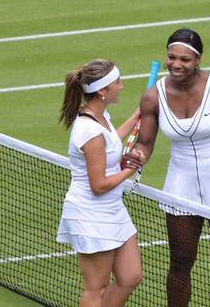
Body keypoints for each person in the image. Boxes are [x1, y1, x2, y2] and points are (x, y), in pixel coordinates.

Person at [129, 28, 210, 307]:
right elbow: (145, 143)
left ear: (198, 60)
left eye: (184, 59)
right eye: (172, 57)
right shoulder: (153, 96)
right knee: (181, 262)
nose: (176, 64)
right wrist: (138, 153)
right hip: (181, 184)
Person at [56, 59, 144, 307]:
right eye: (117, 82)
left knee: (131, 276)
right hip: (90, 215)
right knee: (96, 289)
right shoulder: (89, 131)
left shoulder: (100, 116)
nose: (122, 86)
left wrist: (137, 116)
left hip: (112, 210)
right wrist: (129, 170)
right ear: (103, 91)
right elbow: (99, 184)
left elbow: (111, 143)